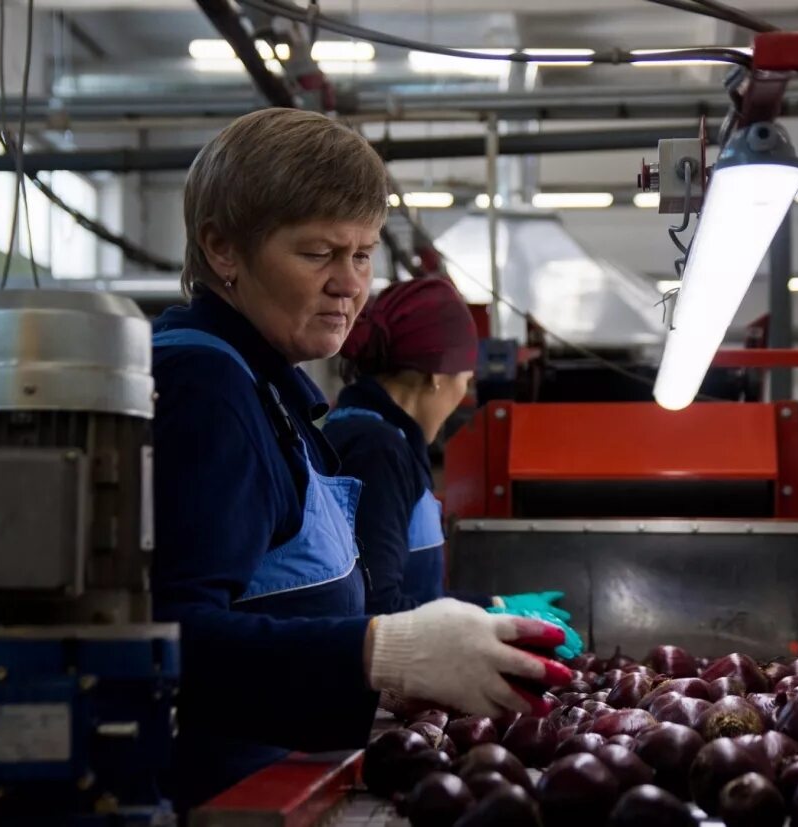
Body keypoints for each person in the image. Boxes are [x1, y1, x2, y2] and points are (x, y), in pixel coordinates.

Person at [149, 108, 569, 811]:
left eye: (363, 254)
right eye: (319, 253)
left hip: (277, 785)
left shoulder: (267, 390)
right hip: (222, 802)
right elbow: (164, 642)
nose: (349, 284)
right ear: (223, 249)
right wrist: (383, 651)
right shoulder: (206, 391)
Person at [323, 277, 584, 657]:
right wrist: (489, 619)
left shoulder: (368, 432)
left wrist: (494, 603)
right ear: (435, 378)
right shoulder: (377, 450)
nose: (465, 392)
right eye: (466, 380)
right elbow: (379, 609)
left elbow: (409, 593)